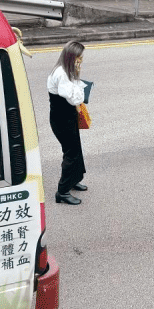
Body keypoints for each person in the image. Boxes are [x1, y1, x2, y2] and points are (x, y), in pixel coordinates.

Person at [47, 40, 88, 205]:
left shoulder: (66, 70)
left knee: (76, 149)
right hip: (62, 119)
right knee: (71, 153)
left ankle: (73, 180)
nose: (81, 60)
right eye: (79, 57)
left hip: (67, 117)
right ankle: (62, 192)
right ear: (72, 57)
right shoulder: (62, 74)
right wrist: (82, 89)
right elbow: (75, 98)